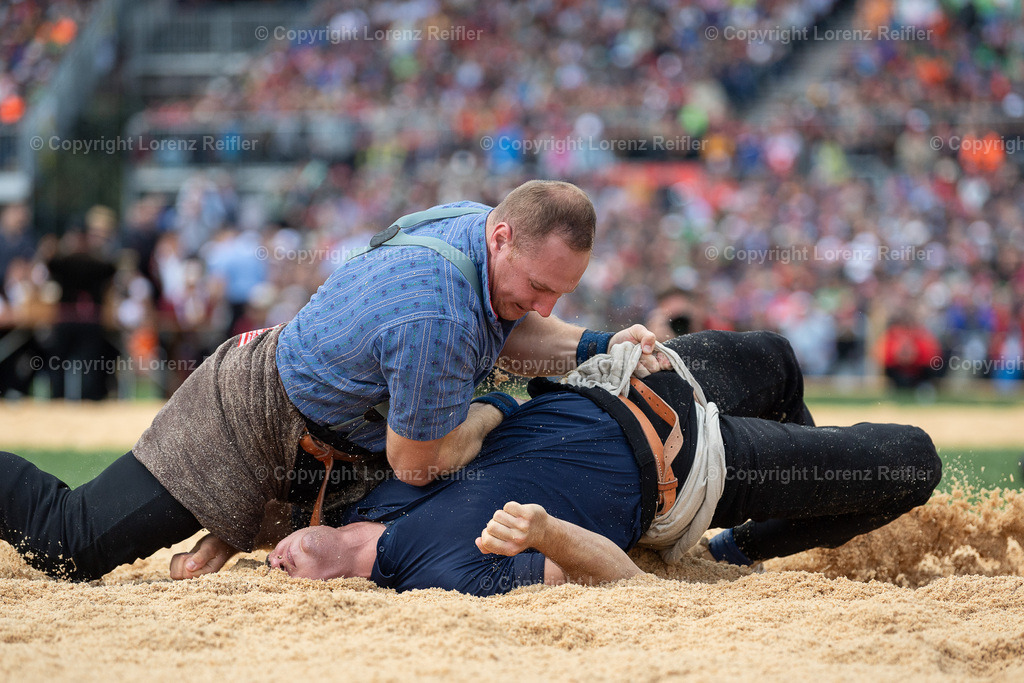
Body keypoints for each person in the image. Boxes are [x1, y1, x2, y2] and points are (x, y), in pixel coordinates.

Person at [0, 179, 666, 581]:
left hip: (317, 429)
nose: (547, 306)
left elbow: (512, 325)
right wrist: (496, 404)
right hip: (242, 421)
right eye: (539, 286)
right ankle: (229, 521)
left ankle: (232, 529)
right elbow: (415, 463)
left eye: (562, 292)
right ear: (500, 237)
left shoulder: (472, 229)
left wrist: (604, 343)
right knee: (71, 542)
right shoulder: (437, 314)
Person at [263, 330, 941, 594]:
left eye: (271, 558)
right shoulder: (442, 578)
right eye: (281, 582)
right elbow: (618, 576)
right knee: (916, 462)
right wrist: (544, 529)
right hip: (691, 463)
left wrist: (495, 407)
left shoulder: (364, 492)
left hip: (624, 379)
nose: (276, 565)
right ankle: (739, 547)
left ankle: (778, 523)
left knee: (780, 356)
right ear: (326, 597)